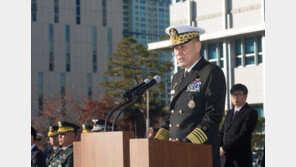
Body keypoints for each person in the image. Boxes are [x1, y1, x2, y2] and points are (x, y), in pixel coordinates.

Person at [154, 24, 226, 167]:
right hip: (176, 153)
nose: (178, 53)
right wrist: (157, 141)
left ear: (198, 46)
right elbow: (171, 116)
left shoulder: (211, 72)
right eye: (176, 48)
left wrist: (188, 143)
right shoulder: (177, 77)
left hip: (198, 152)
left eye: (183, 47)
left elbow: (213, 115)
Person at [219, 84, 258, 167]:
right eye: (233, 95)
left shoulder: (250, 112)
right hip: (226, 158)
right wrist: (219, 148)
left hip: (240, 159)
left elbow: (243, 135)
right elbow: (222, 131)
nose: (236, 98)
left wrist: (224, 148)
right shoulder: (229, 113)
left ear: (246, 96)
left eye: (239, 94)